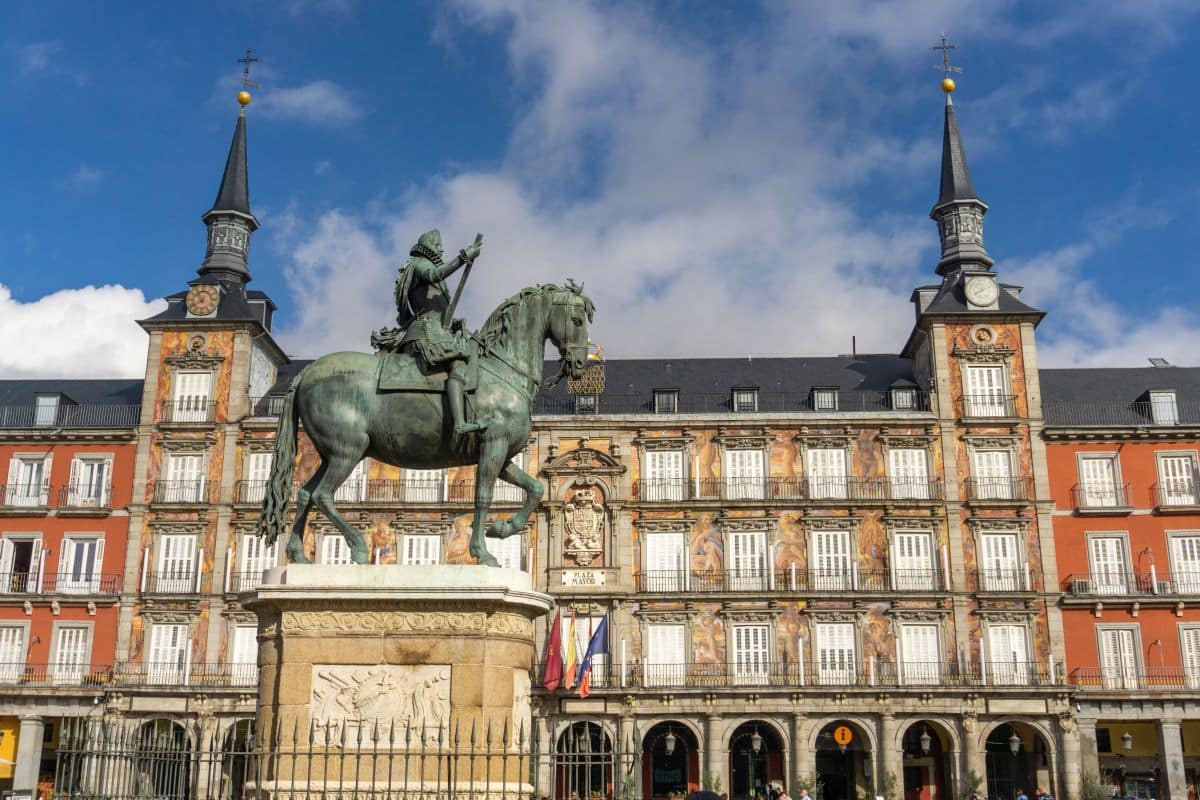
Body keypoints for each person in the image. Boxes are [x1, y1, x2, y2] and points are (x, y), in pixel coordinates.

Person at [377, 228, 485, 436]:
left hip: (437, 330)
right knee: (459, 364)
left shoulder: (427, 269)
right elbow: (435, 274)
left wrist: (453, 323)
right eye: (438, 245)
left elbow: (440, 307)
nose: (442, 249)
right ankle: (460, 424)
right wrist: (463, 257)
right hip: (425, 332)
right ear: (428, 246)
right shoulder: (419, 264)